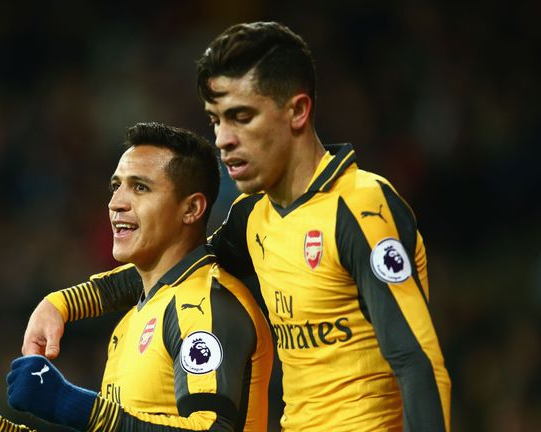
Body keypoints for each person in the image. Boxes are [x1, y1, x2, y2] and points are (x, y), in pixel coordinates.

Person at [22, 22, 451, 432]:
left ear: (297, 111)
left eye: (241, 117)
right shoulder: (254, 216)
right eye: (215, 120)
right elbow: (177, 271)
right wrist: (64, 304)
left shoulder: (359, 206)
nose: (223, 139)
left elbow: (415, 360)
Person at [0, 122, 273, 432]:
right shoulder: (134, 319)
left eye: (140, 187)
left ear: (192, 208)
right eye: (116, 186)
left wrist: (73, 405)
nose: (116, 202)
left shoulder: (204, 307)